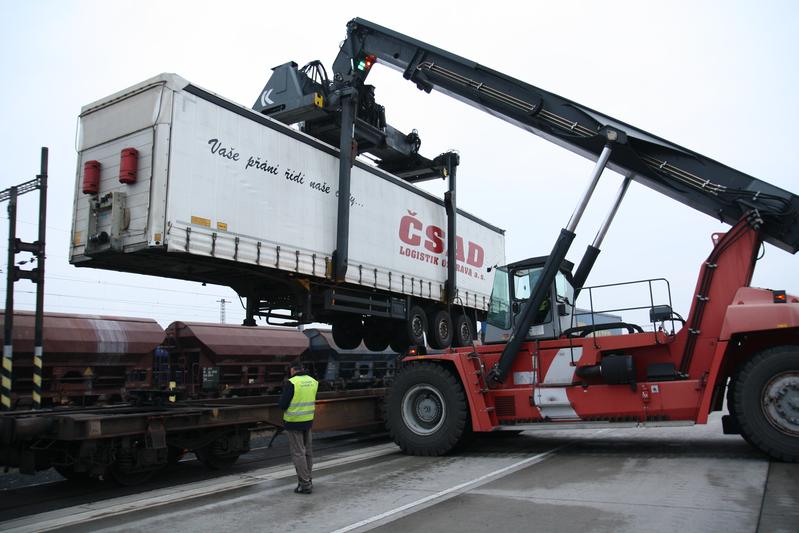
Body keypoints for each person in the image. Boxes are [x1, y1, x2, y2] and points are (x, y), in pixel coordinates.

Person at [278, 361, 319, 494]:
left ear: (293, 370)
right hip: (308, 421)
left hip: (294, 422)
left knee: (298, 453)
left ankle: (305, 484)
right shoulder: (313, 381)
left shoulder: (292, 382)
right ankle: (309, 479)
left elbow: (283, 404)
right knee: (308, 452)